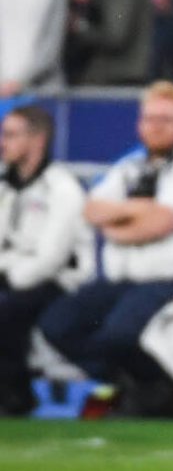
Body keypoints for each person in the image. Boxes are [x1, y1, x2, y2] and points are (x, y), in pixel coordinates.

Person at [38, 81, 173, 417]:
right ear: (139, 124)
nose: (157, 126)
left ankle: (160, 388)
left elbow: (160, 223)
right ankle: (136, 384)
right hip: (124, 282)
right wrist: (142, 209)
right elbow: (92, 209)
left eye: (167, 120)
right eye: (150, 118)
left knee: (119, 332)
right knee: (58, 323)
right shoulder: (128, 168)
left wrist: (121, 221)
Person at [0, 106, 94, 416]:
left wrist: (9, 276)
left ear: (38, 141)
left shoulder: (62, 189)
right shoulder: (4, 185)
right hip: (13, 271)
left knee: (10, 308)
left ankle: (14, 395)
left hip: (62, 281)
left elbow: (50, 258)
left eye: (12, 135)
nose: (3, 142)